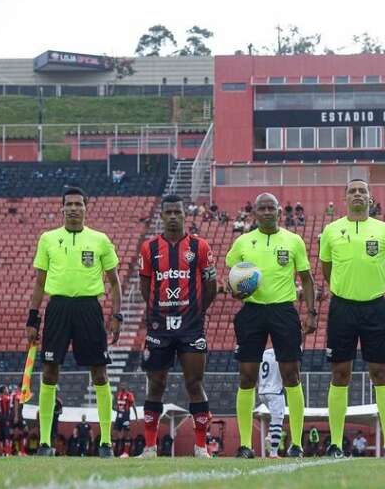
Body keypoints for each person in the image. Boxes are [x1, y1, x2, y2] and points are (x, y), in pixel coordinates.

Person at [26, 186, 122, 457]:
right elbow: (40, 282)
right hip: (57, 307)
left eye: (79, 204)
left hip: (89, 308)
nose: (74, 208)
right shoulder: (48, 239)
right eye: (69, 204)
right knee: (49, 372)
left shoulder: (100, 240)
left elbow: (114, 283)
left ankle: (105, 442)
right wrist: (32, 318)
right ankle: (45, 443)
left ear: (86, 208)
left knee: (100, 374)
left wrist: (117, 315)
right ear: (62, 208)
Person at [225, 193, 315, 459]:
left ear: (279, 211)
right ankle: (244, 445)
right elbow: (231, 280)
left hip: (284, 311)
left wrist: (311, 312)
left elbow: (307, 279)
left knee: (291, 375)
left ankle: (296, 443)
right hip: (251, 312)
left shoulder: (293, 240)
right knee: (246, 377)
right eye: (261, 208)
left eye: (271, 208)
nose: (266, 212)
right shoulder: (242, 242)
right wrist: (235, 291)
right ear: (254, 213)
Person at [319, 179, 385, 459]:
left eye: (362, 191)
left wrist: (369, 286)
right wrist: (347, 288)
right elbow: (327, 271)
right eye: (352, 191)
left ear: (371, 198)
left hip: (375, 308)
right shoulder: (331, 230)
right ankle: (334, 443)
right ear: (345, 198)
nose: (357, 194)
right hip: (342, 309)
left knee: (380, 373)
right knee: (340, 373)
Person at [137, 194, 218, 459]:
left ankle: (201, 447)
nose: (173, 216)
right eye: (169, 212)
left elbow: (210, 287)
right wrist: (157, 311)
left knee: (194, 383)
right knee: (156, 384)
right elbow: (145, 286)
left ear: (185, 215)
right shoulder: (149, 248)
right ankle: (150, 448)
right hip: (159, 328)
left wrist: (196, 312)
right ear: (161, 215)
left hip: (191, 328)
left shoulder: (200, 247)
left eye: (178, 212)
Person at [258, 347, 285, 458]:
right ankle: (274, 452)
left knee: (274, 418)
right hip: (274, 391)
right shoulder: (281, 352)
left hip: (262, 391)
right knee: (278, 419)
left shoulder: (264, 353)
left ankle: (270, 434)